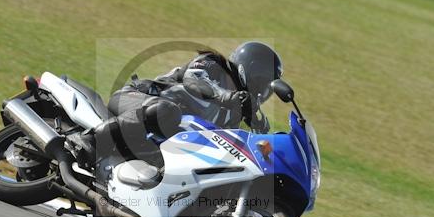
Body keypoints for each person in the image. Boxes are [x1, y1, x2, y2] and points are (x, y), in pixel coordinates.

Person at [71, 41, 283, 168]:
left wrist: (268, 140)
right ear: (252, 71)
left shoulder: (235, 113)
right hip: (136, 99)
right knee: (168, 111)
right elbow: (194, 80)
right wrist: (226, 97)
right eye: (263, 83)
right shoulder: (214, 63)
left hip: (157, 140)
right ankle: (91, 140)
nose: (263, 93)